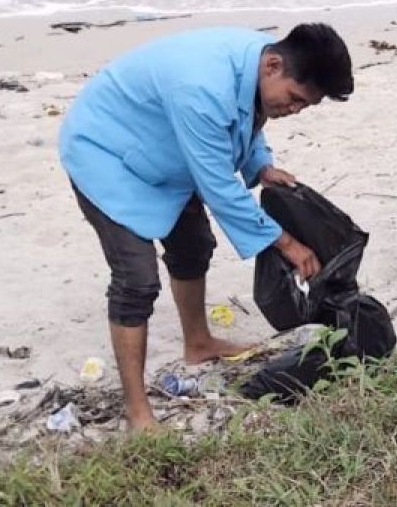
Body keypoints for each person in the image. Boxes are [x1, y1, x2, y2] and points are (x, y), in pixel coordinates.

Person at [59, 23, 353, 430]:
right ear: (273, 65)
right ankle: (137, 411)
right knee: (136, 280)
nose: (295, 110)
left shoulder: (257, 64)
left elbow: (249, 119)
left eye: (305, 106)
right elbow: (217, 186)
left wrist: (260, 165)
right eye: (295, 99)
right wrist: (285, 243)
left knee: (194, 245)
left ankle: (198, 344)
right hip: (105, 152)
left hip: (162, 149)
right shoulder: (201, 87)